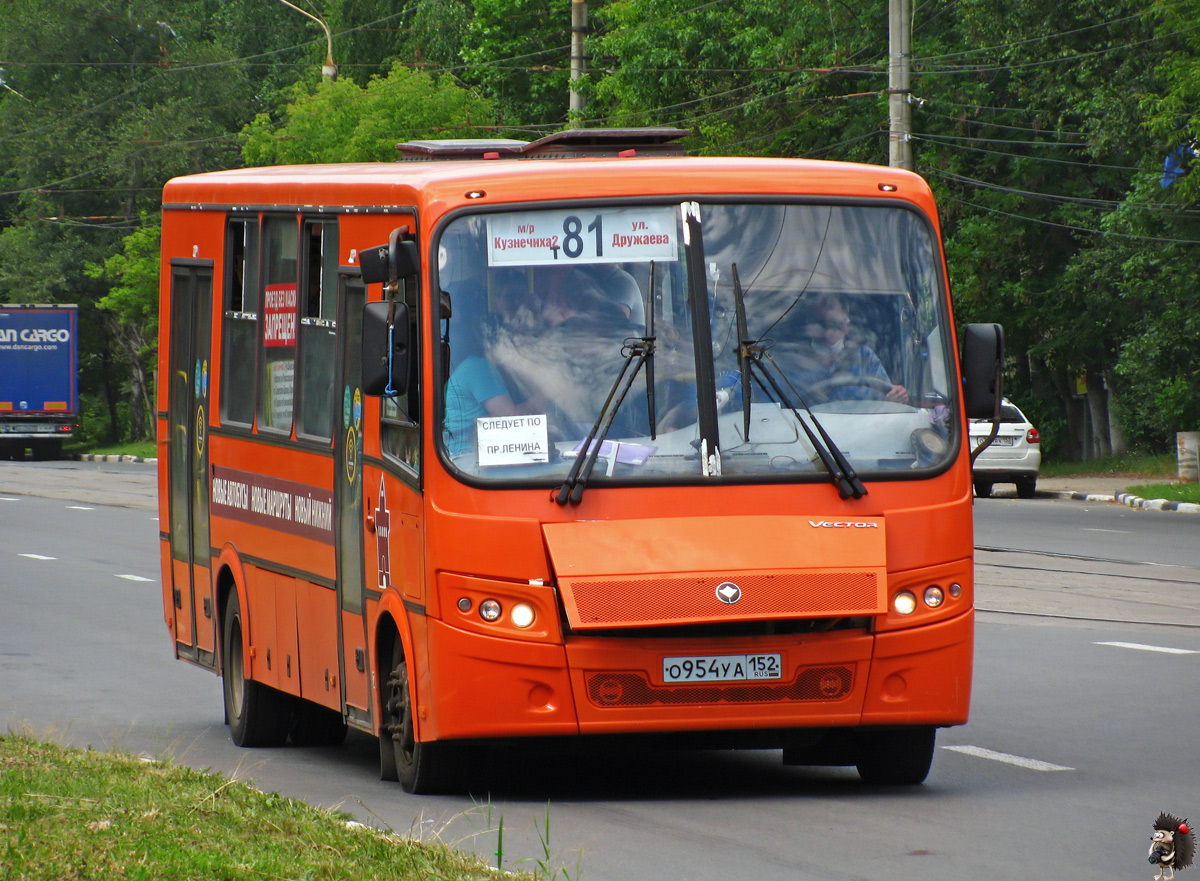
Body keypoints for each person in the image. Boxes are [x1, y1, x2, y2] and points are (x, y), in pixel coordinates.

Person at [775, 295, 908, 404]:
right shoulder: (789, 363)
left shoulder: (865, 357)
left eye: (835, 325)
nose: (827, 333)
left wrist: (895, 397)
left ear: (846, 327)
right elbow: (773, 410)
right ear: (808, 325)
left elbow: (886, 401)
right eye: (820, 324)